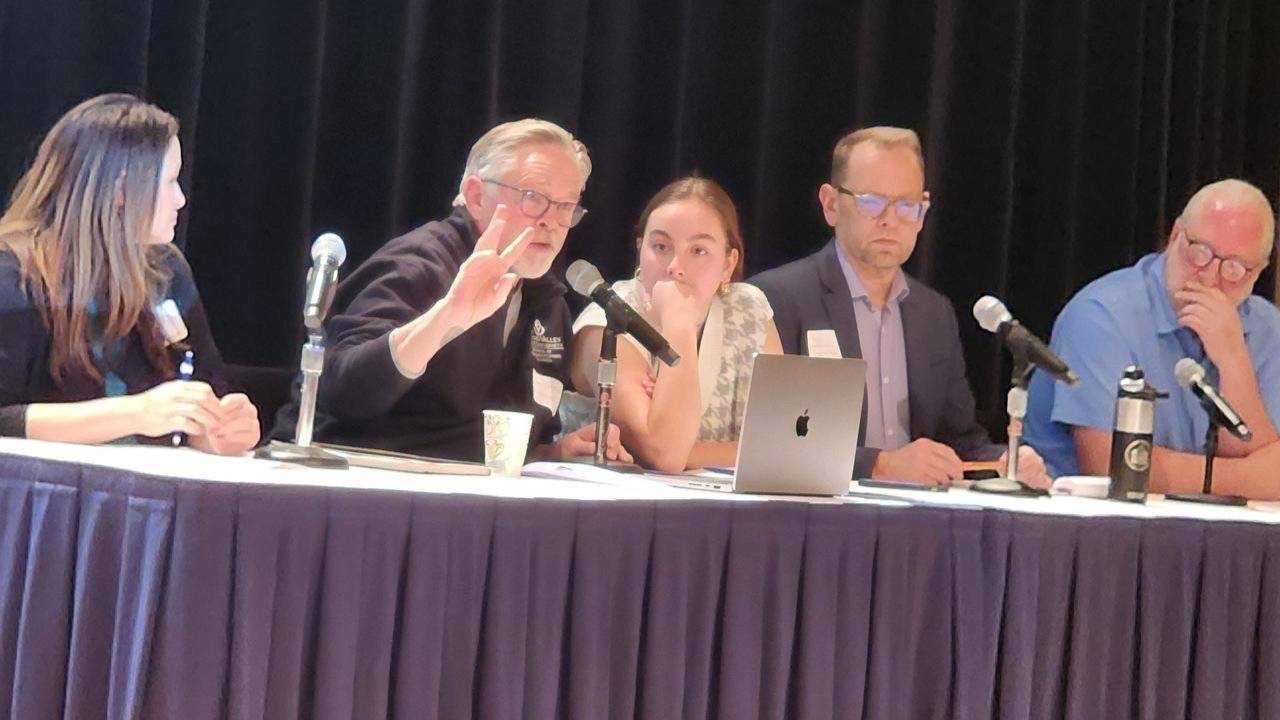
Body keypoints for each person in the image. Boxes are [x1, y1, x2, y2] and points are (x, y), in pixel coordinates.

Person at [273, 118, 629, 463]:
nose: (550, 222)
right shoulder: (419, 264)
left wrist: (555, 452)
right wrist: (445, 317)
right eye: (533, 197)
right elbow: (343, 392)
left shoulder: (547, 303)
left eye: (566, 206)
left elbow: (494, 437)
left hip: (467, 493)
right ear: (475, 196)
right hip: (354, 477)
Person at [749, 126, 1049, 487]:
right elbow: (778, 440)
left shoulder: (933, 314)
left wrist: (1005, 461)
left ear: (922, 213)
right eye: (872, 202)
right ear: (831, 204)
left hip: (918, 522)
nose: (890, 220)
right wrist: (881, 465)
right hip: (820, 515)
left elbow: (960, 439)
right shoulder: (778, 298)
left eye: (907, 206)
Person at [0, 94, 259, 454]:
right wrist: (136, 414)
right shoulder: (12, 274)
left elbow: (204, 390)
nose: (181, 199)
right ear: (122, 191)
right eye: (170, 182)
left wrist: (217, 427)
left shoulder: (167, 272)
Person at [1023, 179, 1280, 498]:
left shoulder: (1268, 328)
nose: (1211, 279)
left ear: (1258, 274)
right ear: (1174, 237)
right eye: (1200, 253)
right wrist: (1249, 480)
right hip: (1093, 531)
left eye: (1234, 269)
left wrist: (1233, 360)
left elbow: (1262, 465)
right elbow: (1112, 466)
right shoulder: (1102, 315)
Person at [567, 176, 782, 472]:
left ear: (728, 264)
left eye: (698, 251)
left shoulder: (749, 309)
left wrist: (688, 448)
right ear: (640, 250)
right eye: (660, 246)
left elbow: (781, 445)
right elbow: (665, 454)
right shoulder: (606, 319)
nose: (674, 267)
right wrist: (679, 323)